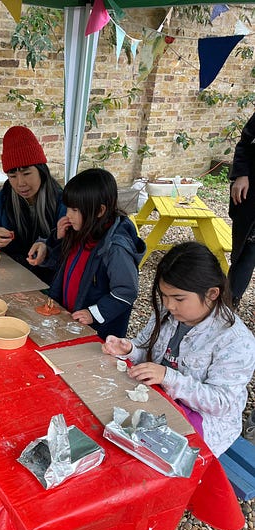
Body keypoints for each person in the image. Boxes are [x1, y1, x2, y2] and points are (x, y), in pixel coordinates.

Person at [102, 241, 255, 458]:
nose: (169, 305)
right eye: (164, 296)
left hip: (201, 420)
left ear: (212, 294)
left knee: (138, 456)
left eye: (178, 298)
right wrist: (129, 349)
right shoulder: (169, 314)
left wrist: (168, 377)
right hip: (159, 398)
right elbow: (146, 349)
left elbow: (220, 402)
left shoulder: (235, 341)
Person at [31, 168, 145, 339]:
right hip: (69, 318)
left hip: (99, 332)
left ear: (100, 211)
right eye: (68, 208)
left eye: (75, 210)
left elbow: (126, 291)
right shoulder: (79, 229)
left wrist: (94, 313)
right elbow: (60, 266)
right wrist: (55, 240)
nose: (68, 215)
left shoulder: (115, 248)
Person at [0, 126, 66, 283]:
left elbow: (74, 243)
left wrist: (48, 247)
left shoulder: (62, 201)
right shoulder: (2, 201)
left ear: (41, 170)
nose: (20, 183)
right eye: (12, 176)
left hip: (53, 281)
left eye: (26, 173)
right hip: (12, 278)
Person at [227, 112, 255, 309]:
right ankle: (229, 301)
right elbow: (246, 141)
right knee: (246, 249)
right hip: (251, 195)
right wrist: (241, 174)